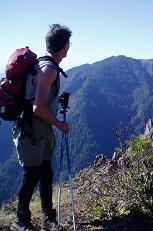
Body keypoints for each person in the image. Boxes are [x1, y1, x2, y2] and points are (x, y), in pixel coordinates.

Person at [11, 24, 72, 231]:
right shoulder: (48, 70)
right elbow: (38, 108)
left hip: (41, 127)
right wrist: (60, 124)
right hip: (33, 128)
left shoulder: (44, 65)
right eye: (68, 44)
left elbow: (42, 101)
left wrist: (56, 103)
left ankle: (47, 217)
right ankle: (20, 220)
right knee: (31, 174)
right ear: (65, 46)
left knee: (45, 172)